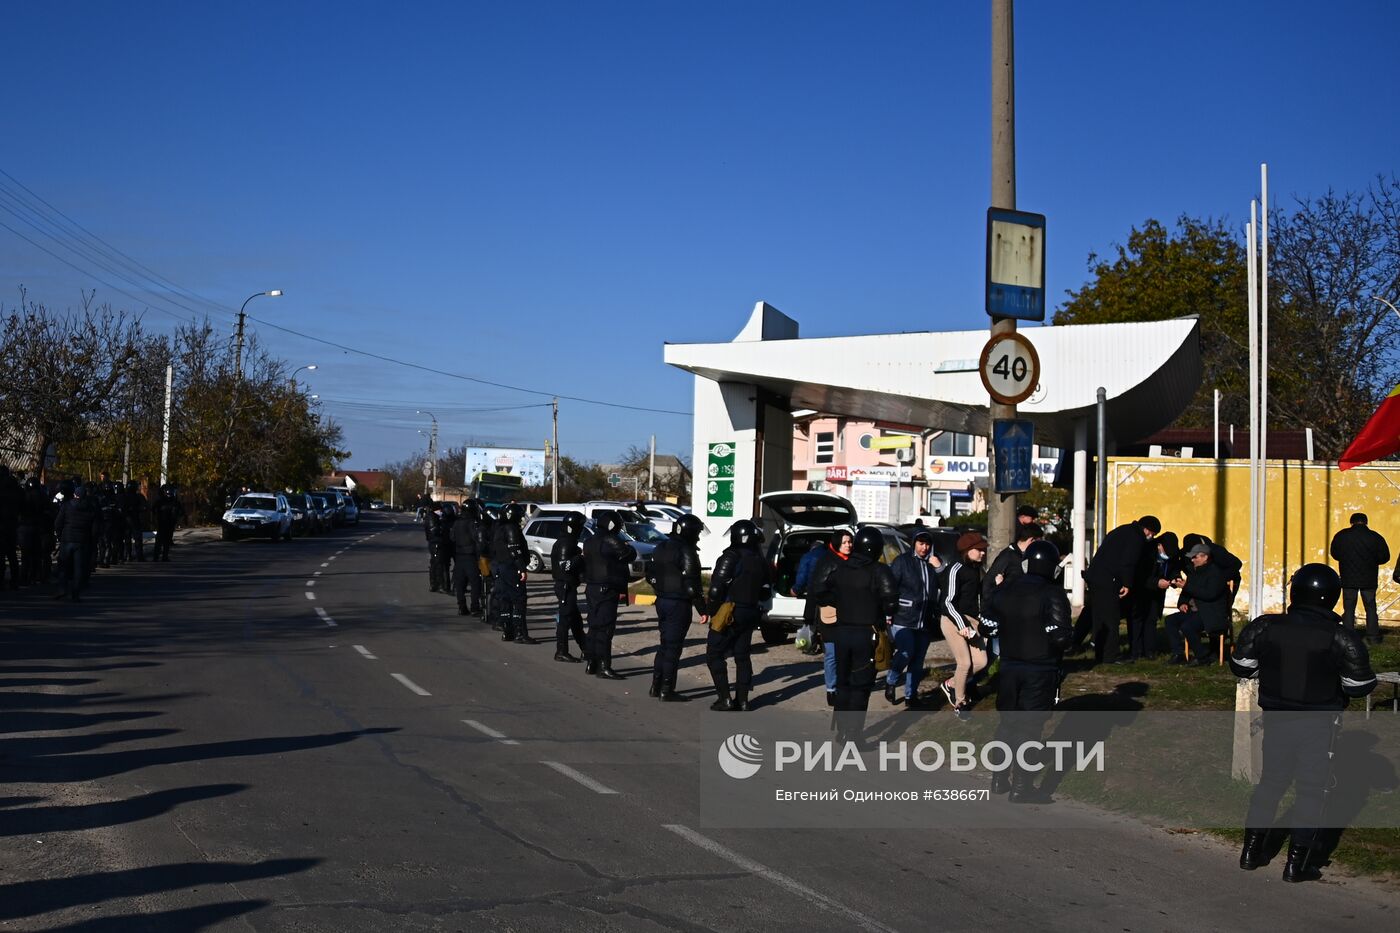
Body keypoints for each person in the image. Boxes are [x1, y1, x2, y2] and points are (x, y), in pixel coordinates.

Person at [1230, 563, 1376, 882]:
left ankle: (1250, 853)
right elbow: (1359, 685)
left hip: (1276, 719)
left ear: (1295, 592)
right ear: (1332, 596)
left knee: (1271, 784)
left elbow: (1242, 665)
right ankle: (1297, 865)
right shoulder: (1340, 635)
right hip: (1319, 724)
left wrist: (1271, 672)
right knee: (1311, 790)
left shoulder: (1265, 625)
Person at [981, 539, 1072, 801]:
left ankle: (999, 779)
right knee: (1030, 727)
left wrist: (1007, 629)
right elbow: (1062, 638)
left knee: (1007, 723)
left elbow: (986, 626)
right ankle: (1022, 787)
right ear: (1052, 567)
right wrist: (1058, 634)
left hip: (1009, 666)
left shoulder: (1005, 590)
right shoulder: (1052, 593)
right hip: (1040, 669)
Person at [811, 525, 897, 743]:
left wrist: (839, 601)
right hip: (866, 633)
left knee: (843, 682)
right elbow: (891, 603)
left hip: (841, 631)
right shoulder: (879, 570)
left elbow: (819, 590)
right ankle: (853, 733)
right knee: (861, 685)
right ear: (876, 548)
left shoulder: (840, 567)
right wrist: (876, 606)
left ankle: (842, 730)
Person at [705, 519, 772, 711]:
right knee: (742, 656)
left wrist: (712, 612)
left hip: (730, 611)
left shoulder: (731, 557)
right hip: (751, 612)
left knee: (714, 653)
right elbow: (766, 591)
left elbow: (716, 589)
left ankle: (725, 699)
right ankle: (743, 700)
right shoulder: (759, 560)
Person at [645, 513, 708, 701]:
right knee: (673, 648)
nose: (698, 537)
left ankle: (656, 686)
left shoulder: (661, 546)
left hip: (662, 601)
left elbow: (650, 574)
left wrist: (660, 588)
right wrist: (702, 609)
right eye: (697, 533)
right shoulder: (686, 551)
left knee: (664, 645)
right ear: (690, 532)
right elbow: (692, 584)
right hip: (678, 604)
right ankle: (666, 690)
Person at [1083, 515, 1160, 664]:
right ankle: (1111, 655)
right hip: (1108, 580)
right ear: (1147, 529)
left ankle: (1100, 653)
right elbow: (1128, 562)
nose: (1151, 537)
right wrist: (1127, 584)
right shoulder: (1136, 538)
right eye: (1152, 533)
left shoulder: (1122, 530)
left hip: (1095, 577)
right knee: (1111, 618)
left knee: (1099, 617)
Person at [885, 529, 942, 708]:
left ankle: (911, 696)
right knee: (906, 652)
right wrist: (888, 612)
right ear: (914, 543)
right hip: (903, 617)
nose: (924, 548)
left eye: (927, 544)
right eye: (921, 543)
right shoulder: (902, 561)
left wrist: (939, 568)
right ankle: (891, 680)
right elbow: (890, 587)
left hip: (925, 619)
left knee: (918, 660)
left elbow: (944, 585)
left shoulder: (933, 563)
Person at [941, 531, 990, 720]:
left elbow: (977, 598)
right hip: (952, 620)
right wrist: (962, 625)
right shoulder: (955, 569)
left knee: (981, 662)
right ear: (967, 550)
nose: (983, 553)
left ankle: (951, 684)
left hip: (970, 621)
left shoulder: (977, 569)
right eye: (979, 550)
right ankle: (960, 703)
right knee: (965, 663)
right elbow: (947, 603)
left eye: (983, 550)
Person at [582, 510, 635, 678]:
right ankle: (604, 666)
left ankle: (592, 662)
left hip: (592, 587)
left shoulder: (589, 540)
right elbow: (629, 555)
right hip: (607, 588)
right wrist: (628, 546)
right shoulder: (610, 539)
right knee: (605, 629)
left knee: (594, 626)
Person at [1329, 512, 1390, 645]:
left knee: (1349, 608)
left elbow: (1334, 553)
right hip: (1369, 578)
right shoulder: (1375, 537)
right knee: (1370, 607)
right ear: (1366, 522)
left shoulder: (1342, 536)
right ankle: (1373, 637)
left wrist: (1346, 559)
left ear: (1351, 522)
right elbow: (1385, 557)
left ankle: (1348, 637)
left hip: (1348, 578)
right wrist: (1373, 561)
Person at [1171, 542, 1232, 665]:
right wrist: (1182, 603)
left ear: (1205, 557)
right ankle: (1178, 654)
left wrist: (1186, 586)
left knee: (1187, 626)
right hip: (1194, 611)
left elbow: (1209, 594)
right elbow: (1186, 593)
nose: (1192, 560)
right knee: (1170, 620)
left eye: (1195, 557)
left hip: (1210, 613)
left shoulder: (1216, 573)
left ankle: (1202, 657)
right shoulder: (1193, 572)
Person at [811, 530, 854, 705]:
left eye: (850, 542)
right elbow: (817, 590)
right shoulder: (826, 561)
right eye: (844, 542)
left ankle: (845, 684)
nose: (848, 545)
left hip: (850, 615)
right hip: (830, 615)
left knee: (849, 652)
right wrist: (838, 598)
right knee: (832, 653)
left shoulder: (854, 561)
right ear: (837, 543)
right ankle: (831, 688)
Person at [1130, 531, 1180, 661]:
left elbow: (1174, 569)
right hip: (1141, 590)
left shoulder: (1172, 555)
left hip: (1157, 593)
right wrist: (1156, 582)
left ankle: (1150, 651)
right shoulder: (1146, 552)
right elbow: (1140, 575)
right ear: (1159, 545)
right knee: (1138, 620)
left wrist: (1175, 578)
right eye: (1166, 551)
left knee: (1151, 620)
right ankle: (1136, 651)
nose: (1168, 555)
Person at [492, 502, 535, 643]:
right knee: (518, 600)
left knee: (505, 600)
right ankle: (520, 633)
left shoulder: (499, 529)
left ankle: (507, 631)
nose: (521, 519)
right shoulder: (511, 529)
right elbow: (515, 550)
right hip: (511, 568)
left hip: (501, 568)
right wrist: (522, 569)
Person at [550, 511, 589, 662]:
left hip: (569, 585)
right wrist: (581, 557)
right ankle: (561, 651)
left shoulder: (569, 542)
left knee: (575, 620)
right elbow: (565, 566)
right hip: (565, 585)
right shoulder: (565, 543)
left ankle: (586, 649)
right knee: (565, 619)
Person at [53, 480, 100, 600]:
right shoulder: (90, 508)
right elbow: (94, 528)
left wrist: (60, 535)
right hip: (82, 541)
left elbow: (58, 523)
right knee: (78, 568)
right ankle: (75, 593)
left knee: (63, 566)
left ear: (75, 495)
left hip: (67, 539)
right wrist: (92, 540)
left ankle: (62, 589)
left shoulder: (67, 506)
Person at [452, 499, 482, 616]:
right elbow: (476, 538)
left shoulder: (457, 522)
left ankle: (461, 606)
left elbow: (452, 537)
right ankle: (475, 607)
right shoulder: (472, 523)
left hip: (459, 555)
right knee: (475, 583)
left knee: (460, 583)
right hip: (470, 555)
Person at [0, 465, 21, 589]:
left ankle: (1, 581)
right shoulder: (15, 487)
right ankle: (14, 581)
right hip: (12, 524)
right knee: (12, 554)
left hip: (2, 524)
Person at [152, 484, 185, 561]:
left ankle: (164, 556)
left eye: (170, 492)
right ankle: (156, 557)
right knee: (159, 540)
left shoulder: (175, 502)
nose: (169, 494)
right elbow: (153, 510)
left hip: (170, 523)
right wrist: (155, 519)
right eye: (167, 492)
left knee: (167, 540)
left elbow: (181, 511)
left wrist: (178, 517)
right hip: (161, 522)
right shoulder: (160, 501)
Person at [124, 480, 147, 562]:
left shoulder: (125, 496)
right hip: (133, 519)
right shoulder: (138, 496)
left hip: (129, 519)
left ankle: (129, 555)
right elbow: (144, 507)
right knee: (136, 539)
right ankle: (138, 556)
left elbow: (144, 507)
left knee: (128, 539)